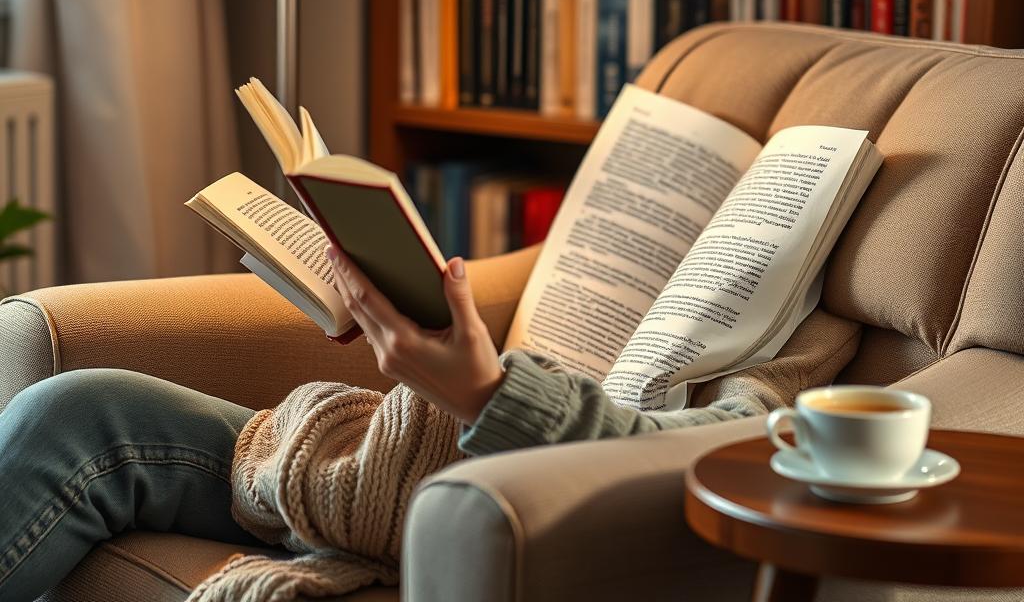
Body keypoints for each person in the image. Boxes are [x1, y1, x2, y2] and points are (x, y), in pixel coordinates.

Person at [0, 248, 857, 601]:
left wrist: (486, 393)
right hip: (403, 449)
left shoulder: (822, 377)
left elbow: (721, 453)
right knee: (75, 407)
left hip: (512, 487)